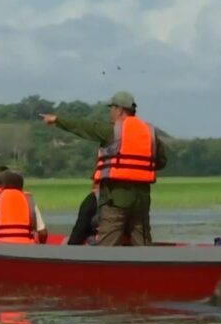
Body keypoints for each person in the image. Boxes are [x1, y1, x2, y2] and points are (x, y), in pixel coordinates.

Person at [40, 91, 168, 246]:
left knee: (107, 243)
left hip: (115, 197)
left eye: (111, 108)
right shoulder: (149, 132)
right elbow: (161, 161)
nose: (110, 112)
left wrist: (57, 120)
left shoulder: (113, 131)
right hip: (142, 199)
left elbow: (84, 127)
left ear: (119, 110)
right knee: (142, 244)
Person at [0, 171, 48, 244]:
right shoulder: (29, 201)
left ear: (2, 185)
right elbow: (43, 233)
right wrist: (41, 246)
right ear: (21, 185)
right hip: (27, 246)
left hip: (0, 246)